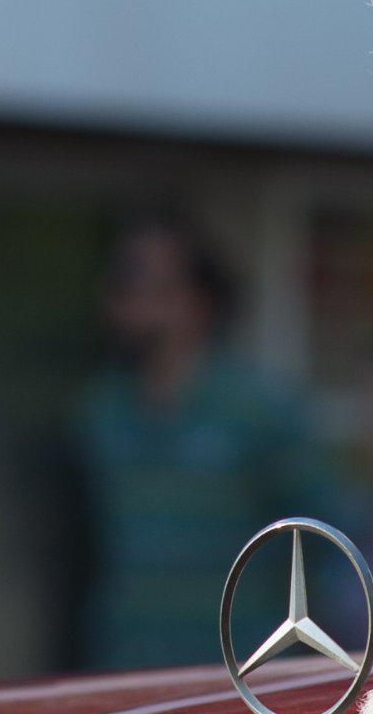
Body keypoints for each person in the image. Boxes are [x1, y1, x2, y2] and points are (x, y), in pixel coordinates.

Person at [69, 216, 344, 671]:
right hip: (122, 668)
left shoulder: (260, 409)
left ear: (201, 300)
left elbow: (323, 536)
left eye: (157, 289)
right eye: (125, 285)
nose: (137, 305)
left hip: (240, 673)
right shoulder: (99, 414)